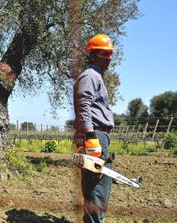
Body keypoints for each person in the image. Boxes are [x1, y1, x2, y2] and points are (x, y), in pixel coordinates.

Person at [73, 34, 115, 223]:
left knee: (100, 184)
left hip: (98, 135)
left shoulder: (96, 76)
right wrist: (90, 136)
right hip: (95, 134)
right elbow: (83, 105)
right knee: (96, 186)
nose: (109, 58)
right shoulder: (89, 76)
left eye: (110, 54)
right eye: (104, 54)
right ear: (92, 54)